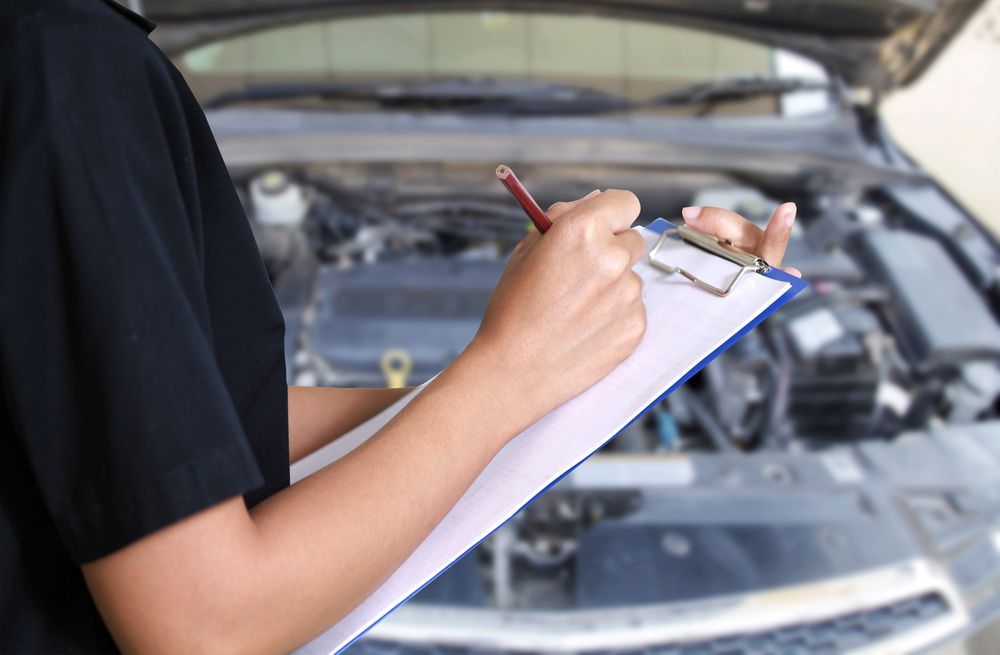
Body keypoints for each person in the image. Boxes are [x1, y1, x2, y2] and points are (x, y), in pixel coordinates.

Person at [0, 0, 798, 652]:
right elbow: (210, 628)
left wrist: (575, 353)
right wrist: (507, 370)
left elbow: (175, 439)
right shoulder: (64, 63)